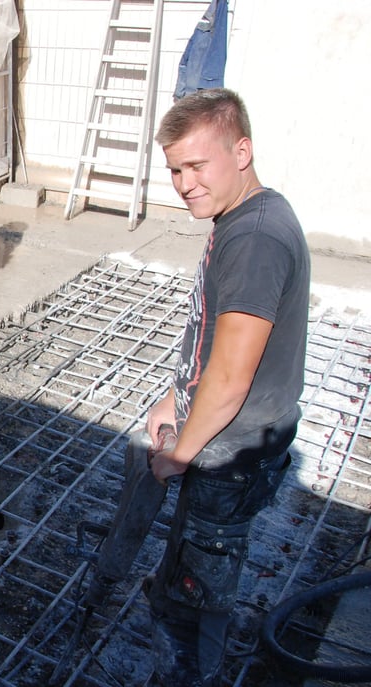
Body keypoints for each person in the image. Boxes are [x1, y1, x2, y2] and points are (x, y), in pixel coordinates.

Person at [142, 88, 310, 685]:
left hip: (229, 452)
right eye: (175, 170)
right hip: (224, 438)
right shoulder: (243, 215)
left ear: (242, 151)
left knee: (196, 595)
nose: (184, 182)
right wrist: (175, 396)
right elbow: (211, 335)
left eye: (197, 165)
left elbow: (233, 376)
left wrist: (179, 453)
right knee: (193, 571)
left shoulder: (255, 240)